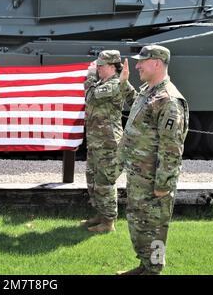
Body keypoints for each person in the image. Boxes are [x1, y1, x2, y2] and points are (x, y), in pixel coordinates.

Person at [117, 45, 189, 275]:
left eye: (142, 61)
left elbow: (171, 149)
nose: (137, 65)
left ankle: (154, 268)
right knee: (139, 226)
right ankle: (144, 266)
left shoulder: (169, 100)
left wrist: (163, 185)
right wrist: (124, 82)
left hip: (154, 183)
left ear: (157, 63)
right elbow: (138, 109)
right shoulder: (149, 91)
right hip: (139, 177)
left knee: (156, 229)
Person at [80, 50, 137, 233]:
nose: (97, 68)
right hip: (95, 141)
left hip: (108, 142)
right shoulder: (106, 82)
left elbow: (90, 96)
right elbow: (134, 99)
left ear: (112, 66)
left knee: (105, 181)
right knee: (92, 179)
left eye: (100, 65)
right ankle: (100, 214)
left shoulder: (113, 84)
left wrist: (89, 75)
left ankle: (108, 222)